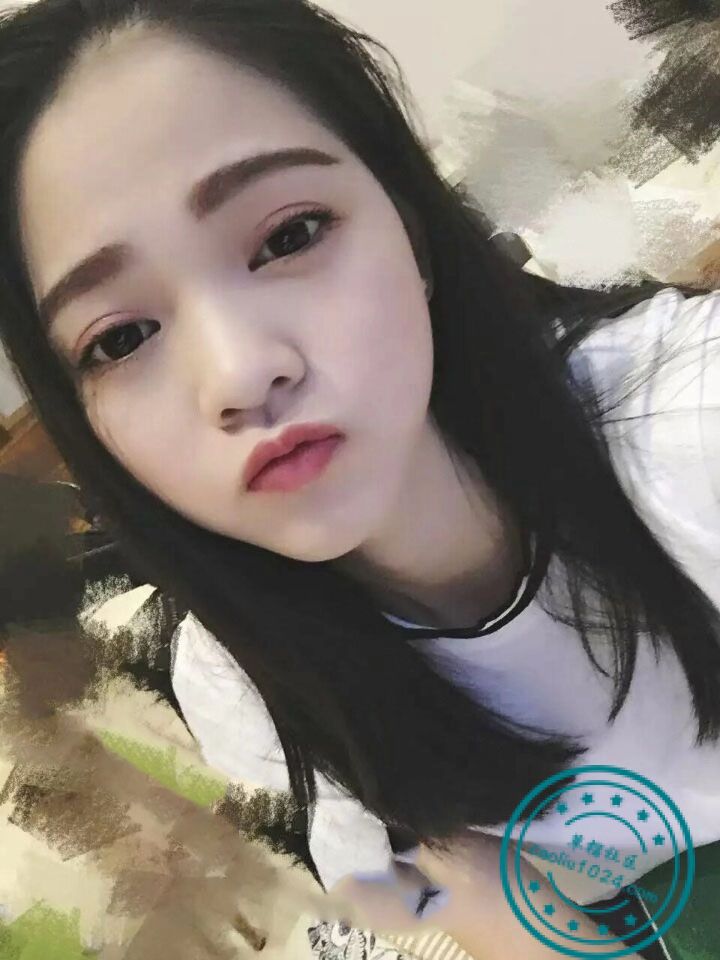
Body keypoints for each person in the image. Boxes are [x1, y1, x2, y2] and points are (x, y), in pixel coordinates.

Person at [0, 1, 718, 957]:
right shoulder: (234, 677)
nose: (240, 373)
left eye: (289, 236)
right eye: (121, 337)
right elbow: (431, 876)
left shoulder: (689, 425)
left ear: (412, 232)